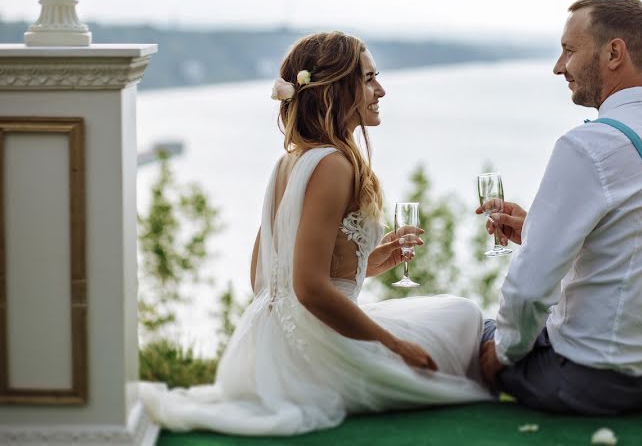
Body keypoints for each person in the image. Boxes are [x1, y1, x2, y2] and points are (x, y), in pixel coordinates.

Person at [141, 31, 489, 436]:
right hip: (315, 351)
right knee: (462, 316)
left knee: (455, 315)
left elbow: (265, 278)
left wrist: (368, 263)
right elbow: (308, 288)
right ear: (336, 90)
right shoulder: (334, 165)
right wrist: (396, 347)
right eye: (369, 78)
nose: (381, 90)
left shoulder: (290, 161)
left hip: (264, 347)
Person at [478, 0, 642, 415]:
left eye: (569, 50)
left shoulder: (588, 146)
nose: (558, 66)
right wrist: (537, 229)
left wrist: (503, 353)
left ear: (614, 52)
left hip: (592, 382)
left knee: (470, 330)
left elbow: (529, 290)